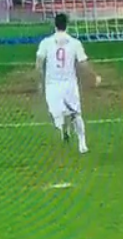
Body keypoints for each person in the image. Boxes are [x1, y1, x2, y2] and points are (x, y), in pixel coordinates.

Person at [35, 13, 101, 154]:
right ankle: (81, 143)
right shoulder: (75, 43)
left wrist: (39, 82)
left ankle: (70, 134)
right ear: (67, 25)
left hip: (52, 85)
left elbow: (39, 64)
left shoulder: (46, 42)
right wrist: (94, 75)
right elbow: (83, 63)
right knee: (76, 113)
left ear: (54, 25)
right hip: (69, 84)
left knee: (58, 114)